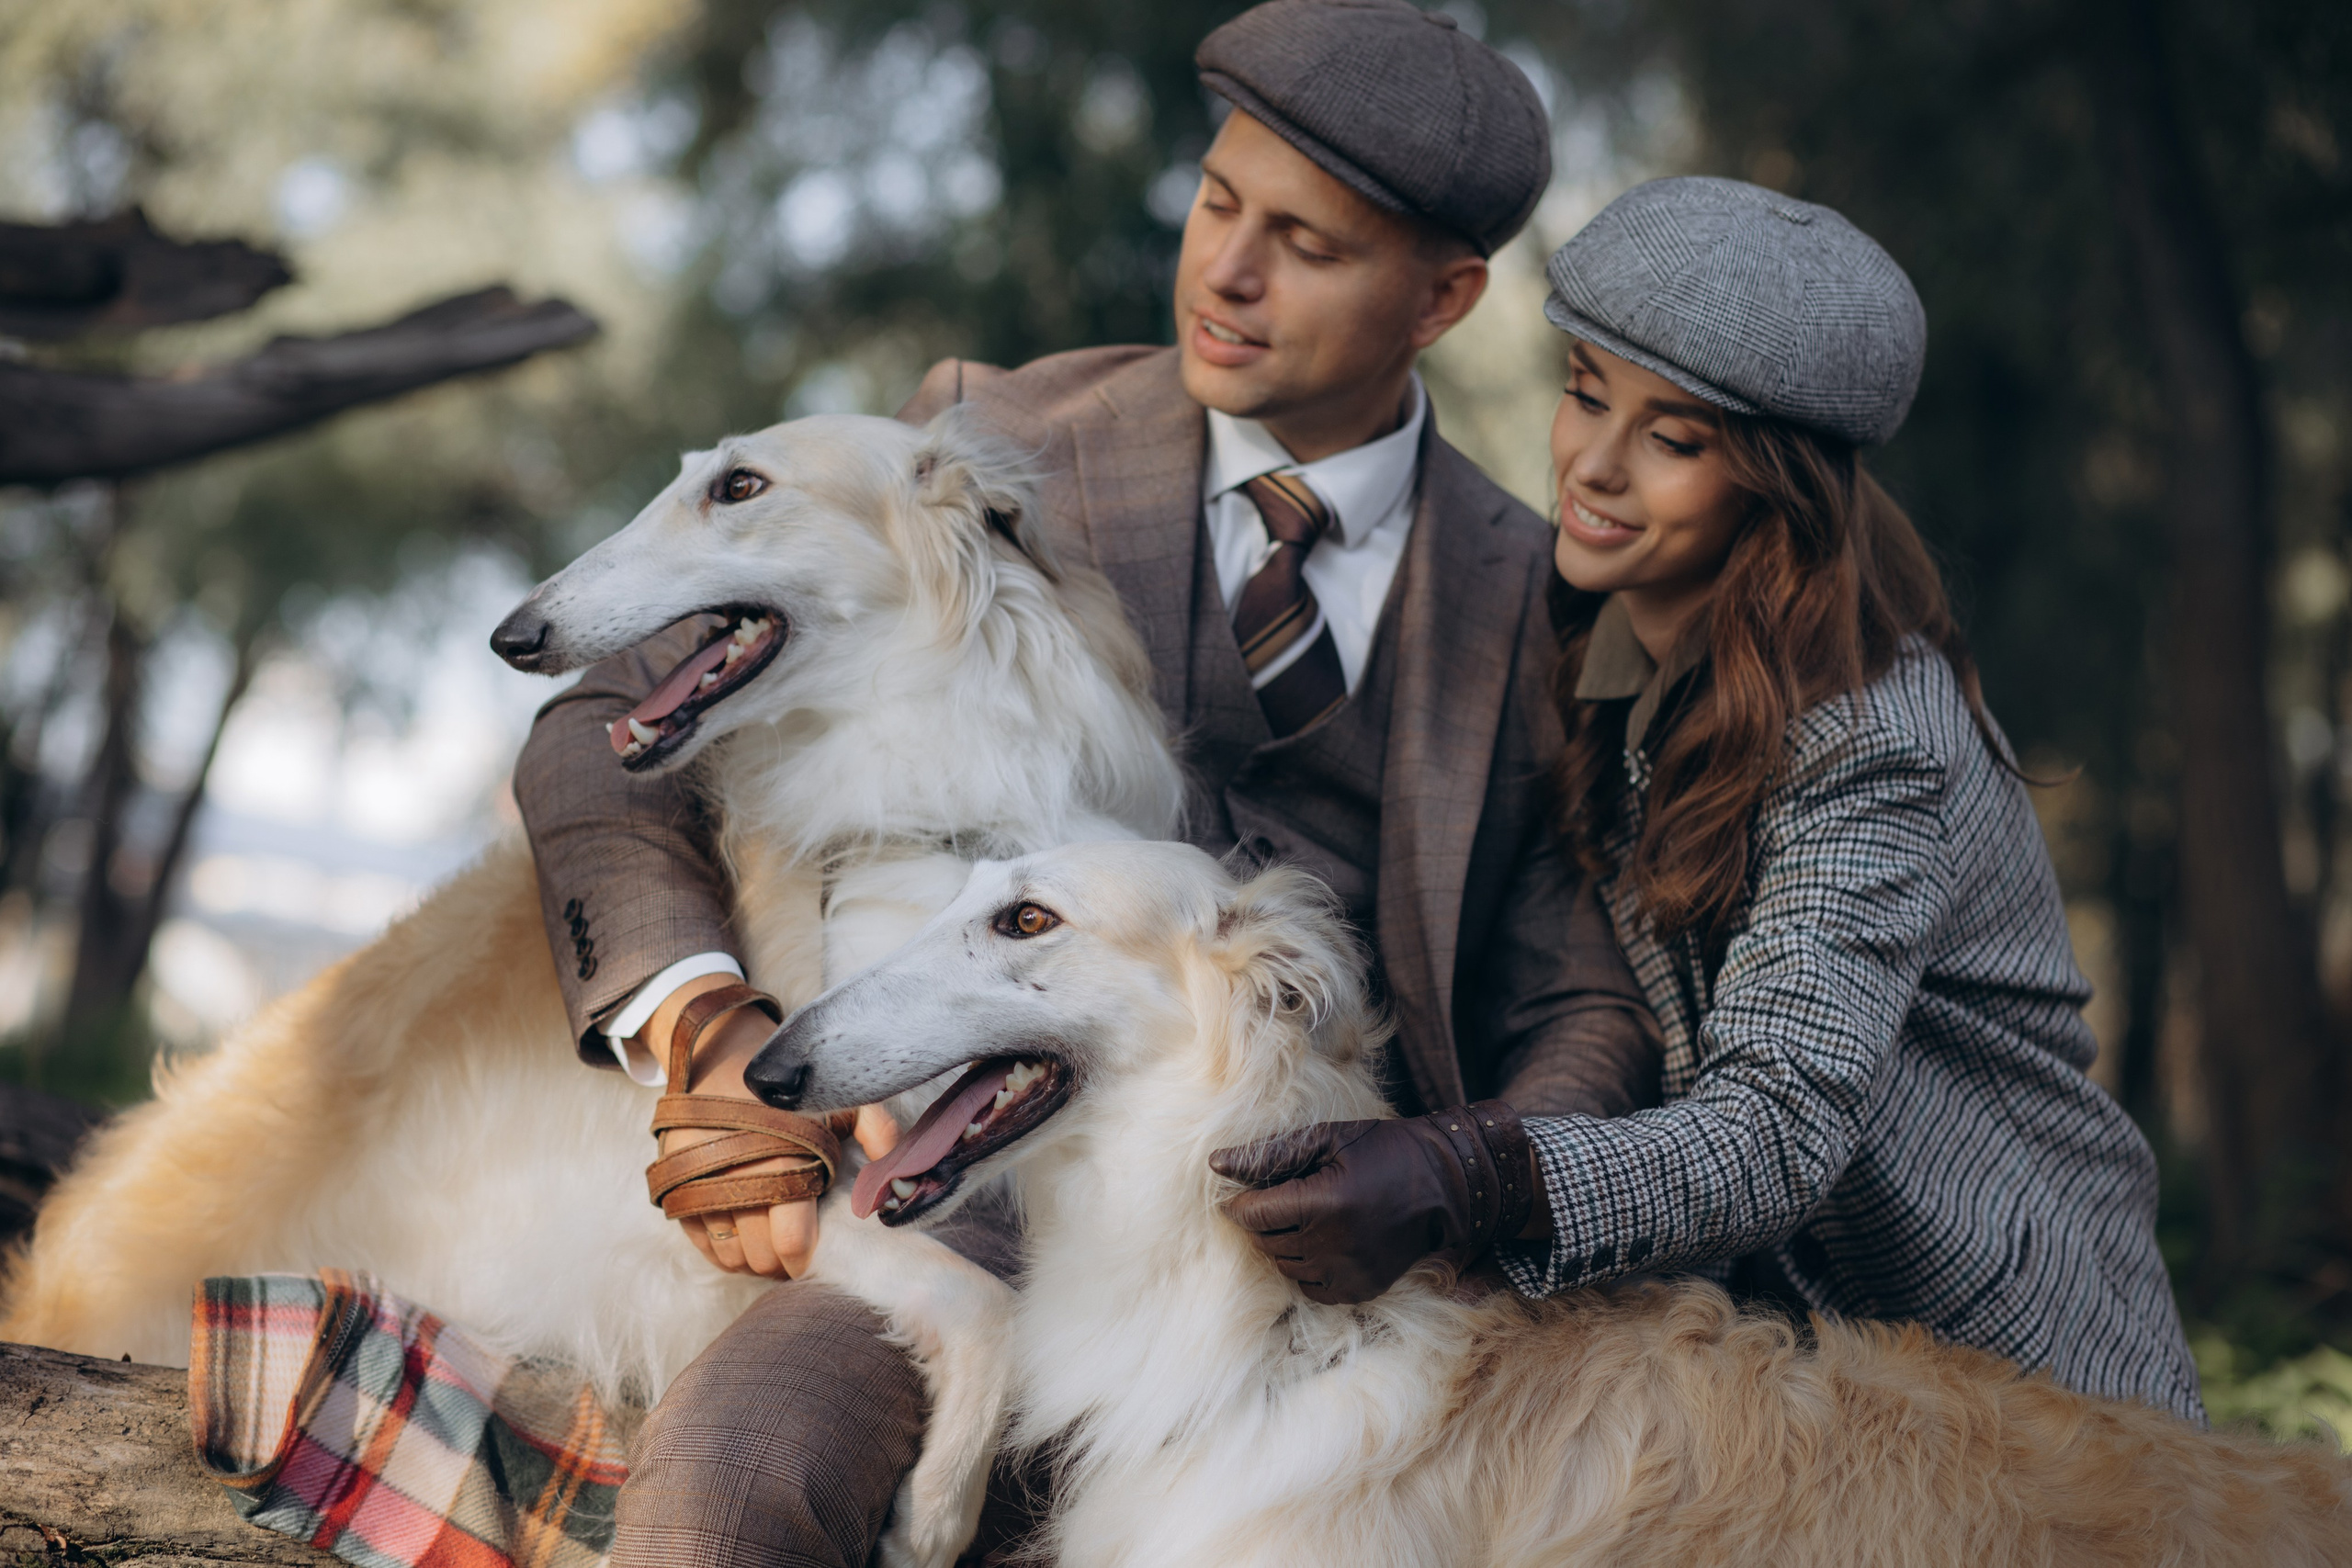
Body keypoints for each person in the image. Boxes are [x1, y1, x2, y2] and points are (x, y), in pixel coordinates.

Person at [512, 3, 1668, 1560]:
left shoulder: (1540, 598)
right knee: (735, 1478)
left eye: (1307, 246)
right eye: (1218, 203)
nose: (1228, 272)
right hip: (953, 1217)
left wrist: (1461, 1186)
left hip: (1329, 1302)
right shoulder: (993, 430)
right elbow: (603, 719)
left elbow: (1586, 1001)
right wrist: (703, 1024)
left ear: (1443, 298)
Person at [1215, 175, 2206, 1421]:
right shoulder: (1595, 643)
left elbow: (1777, 1130)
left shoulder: (1869, 737)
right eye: (1587, 394)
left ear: (1779, 488)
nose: (1594, 466)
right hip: (1787, 1372)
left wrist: (1466, 1176)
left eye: (1673, 441)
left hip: (2012, 1374)